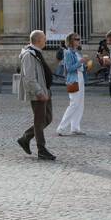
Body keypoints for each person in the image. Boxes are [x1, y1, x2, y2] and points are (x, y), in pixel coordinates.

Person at [16, 30, 55, 160]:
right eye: (44, 38)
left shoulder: (36, 53)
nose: (46, 40)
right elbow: (29, 78)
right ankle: (41, 149)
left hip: (45, 90)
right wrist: (39, 92)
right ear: (38, 40)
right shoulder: (29, 55)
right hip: (38, 93)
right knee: (39, 121)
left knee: (47, 118)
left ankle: (25, 138)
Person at [56, 33, 90, 136]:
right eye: (76, 39)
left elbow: (79, 67)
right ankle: (61, 128)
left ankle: (75, 127)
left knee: (80, 104)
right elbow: (69, 68)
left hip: (80, 77)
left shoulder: (77, 52)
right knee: (74, 103)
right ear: (71, 41)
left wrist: (85, 65)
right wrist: (80, 62)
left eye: (79, 39)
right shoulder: (68, 53)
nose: (78, 41)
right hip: (74, 79)